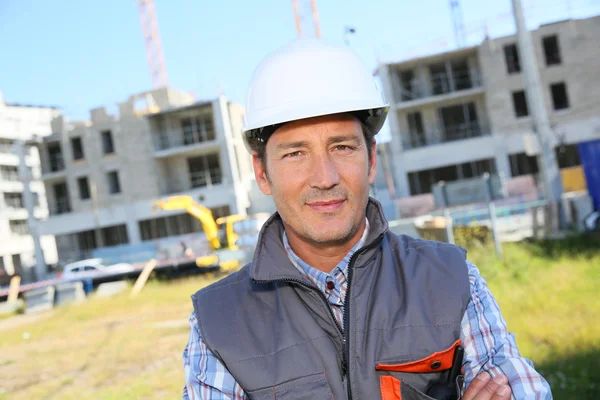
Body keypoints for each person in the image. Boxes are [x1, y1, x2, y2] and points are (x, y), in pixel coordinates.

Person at [182, 39, 552, 399]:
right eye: (295, 154)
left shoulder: (452, 278)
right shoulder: (218, 321)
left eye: (342, 147)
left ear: (371, 159)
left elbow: (521, 388)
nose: (324, 177)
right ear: (262, 174)